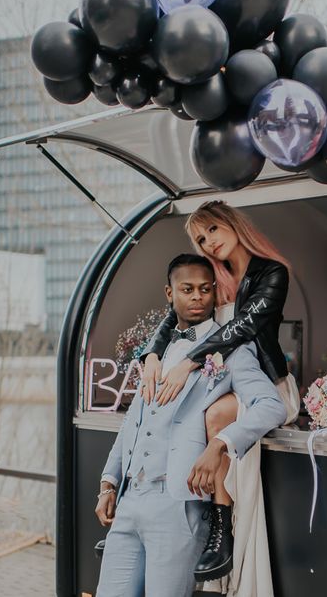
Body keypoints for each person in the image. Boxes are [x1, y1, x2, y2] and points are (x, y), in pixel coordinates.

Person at [94, 254, 286, 597]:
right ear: (170, 293)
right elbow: (133, 422)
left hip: (177, 506)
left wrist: (220, 443)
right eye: (187, 289)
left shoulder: (231, 349)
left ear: (214, 293)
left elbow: (272, 406)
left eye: (205, 289)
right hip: (129, 501)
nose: (198, 296)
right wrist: (108, 482)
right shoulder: (155, 352)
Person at [139, 200, 300, 582]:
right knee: (177, 413)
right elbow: (170, 319)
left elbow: (243, 327)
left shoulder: (271, 273)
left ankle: (220, 528)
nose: (208, 242)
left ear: (231, 224)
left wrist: (188, 361)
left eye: (212, 229)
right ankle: (155, 515)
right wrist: (150, 356)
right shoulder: (210, 278)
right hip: (220, 381)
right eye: (200, 238)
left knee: (214, 414)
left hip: (263, 386)